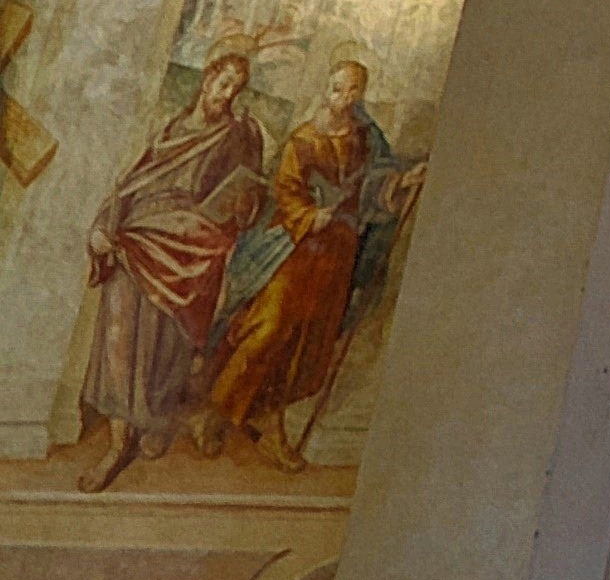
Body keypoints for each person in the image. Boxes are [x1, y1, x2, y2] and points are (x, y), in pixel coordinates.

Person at [201, 59, 414, 469]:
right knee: (270, 326)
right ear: (326, 89)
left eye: (352, 91)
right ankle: (216, 410)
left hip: (337, 250)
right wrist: (307, 216)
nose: (343, 98)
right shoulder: (304, 138)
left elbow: (375, 182)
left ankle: (269, 422)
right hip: (295, 247)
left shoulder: (366, 138)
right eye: (337, 89)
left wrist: (399, 183)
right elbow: (285, 188)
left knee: (308, 342)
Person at [79, 45, 271, 491]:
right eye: (223, 83)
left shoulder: (236, 135)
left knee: (168, 342)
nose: (226, 95)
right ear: (207, 79)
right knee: (121, 336)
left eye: (235, 90)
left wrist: (242, 204)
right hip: (140, 235)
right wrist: (101, 224)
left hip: (192, 245)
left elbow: (246, 198)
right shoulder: (172, 127)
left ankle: (155, 422)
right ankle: (118, 439)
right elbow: (134, 181)